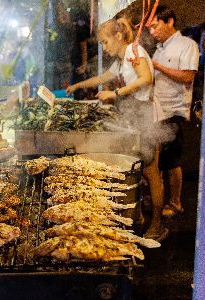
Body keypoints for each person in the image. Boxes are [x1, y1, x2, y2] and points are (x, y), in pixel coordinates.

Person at [67, 18, 168, 241]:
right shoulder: (123, 58)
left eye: (105, 42)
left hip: (145, 116)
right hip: (133, 116)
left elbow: (146, 78)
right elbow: (105, 77)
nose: (104, 47)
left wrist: (116, 94)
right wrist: (78, 85)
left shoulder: (134, 52)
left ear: (119, 36)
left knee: (151, 173)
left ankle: (158, 225)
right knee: (136, 169)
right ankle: (138, 217)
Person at [148, 5, 199, 218]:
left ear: (169, 21)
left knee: (171, 160)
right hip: (157, 108)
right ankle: (159, 199)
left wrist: (157, 67)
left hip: (174, 109)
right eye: (149, 29)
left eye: (154, 26)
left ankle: (176, 202)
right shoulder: (160, 47)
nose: (152, 32)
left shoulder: (187, 45)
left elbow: (188, 77)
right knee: (157, 159)